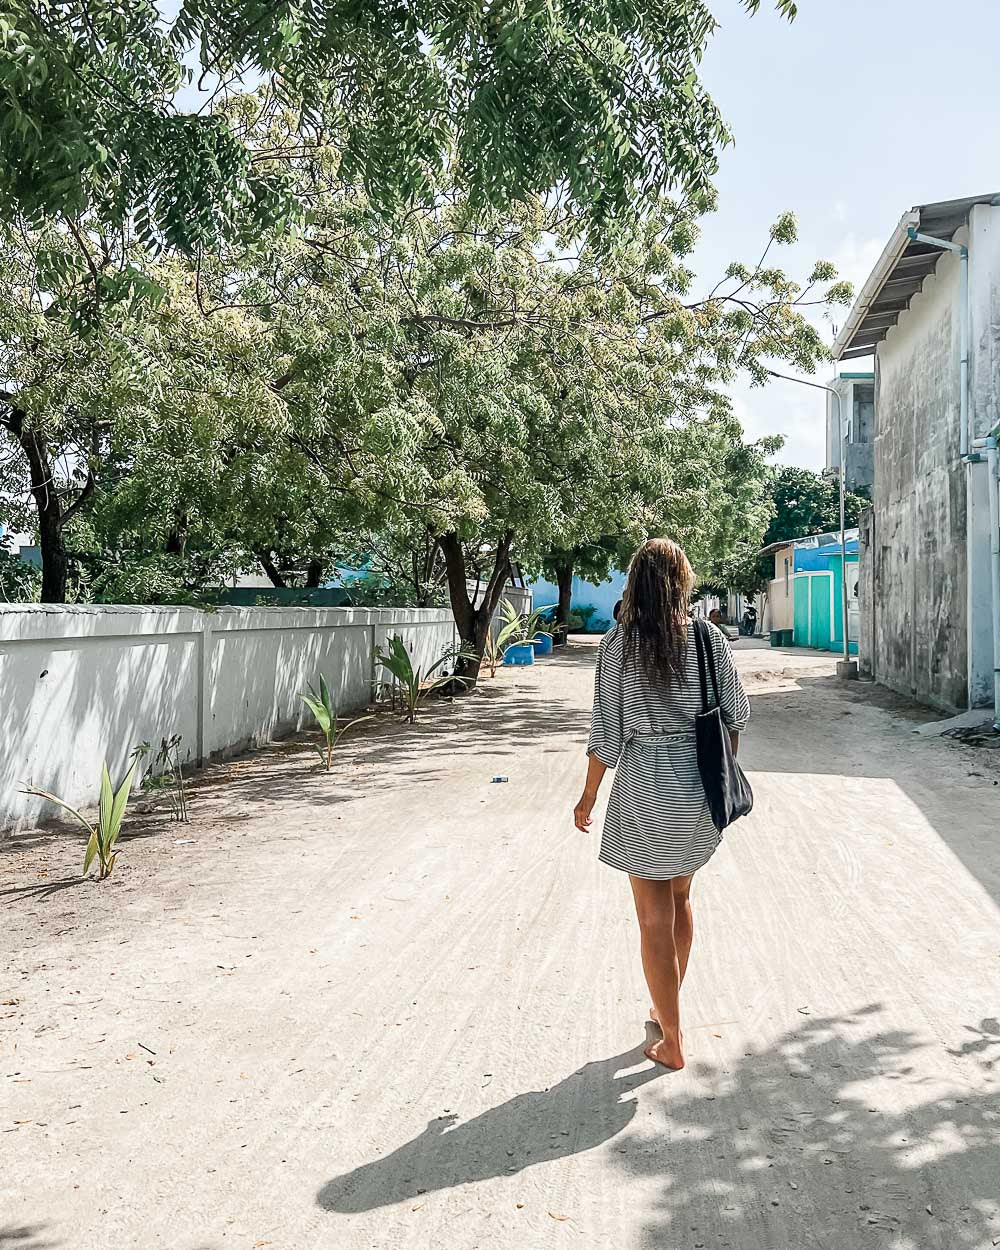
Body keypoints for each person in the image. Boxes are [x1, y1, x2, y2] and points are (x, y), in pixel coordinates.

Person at [573, 538, 750, 1070]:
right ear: (681, 582)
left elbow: (607, 735)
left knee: (653, 919)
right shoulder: (707, 637)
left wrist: (587, 797)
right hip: (697, 789)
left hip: (645, 788)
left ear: (634, 583)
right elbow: (736, 715)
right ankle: (664, 1008)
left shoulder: (616, 646)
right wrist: (717, 770)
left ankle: (672, 1039)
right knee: (681, 898)